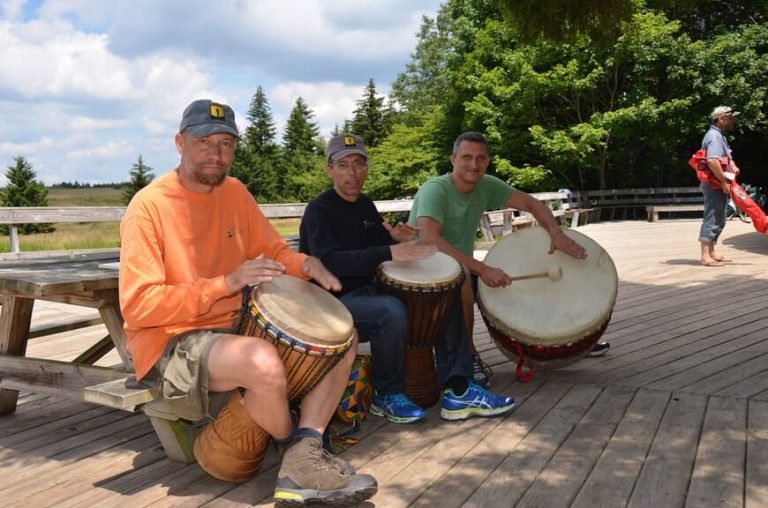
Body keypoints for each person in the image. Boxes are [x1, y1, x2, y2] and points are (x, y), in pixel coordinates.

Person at [119, 99, 377, 506]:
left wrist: (304, 264)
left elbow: (273, 252)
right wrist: (225, 283)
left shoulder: (235, 192)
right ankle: (293, 447)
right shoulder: (148, 207)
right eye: (204, 141)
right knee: (261, 361)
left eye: (226, 143)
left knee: (342, 340)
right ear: (180, 142)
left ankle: (303, 452)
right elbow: (139, 306)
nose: (216, 153)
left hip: (234, 328)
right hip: (171, 342)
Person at [300, 133, 517, 423]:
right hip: (331, 302)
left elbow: (382, 245)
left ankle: (459, 389)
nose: (352, 173)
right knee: (390, 311)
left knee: (445, 291)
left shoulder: (364, 204)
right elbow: (328, 262)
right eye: (343, 165)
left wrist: (400, 239)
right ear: (329, 169)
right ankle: (387, 393)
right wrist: (388, 250)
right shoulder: (319, 210)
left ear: (367, 168)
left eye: (359, 164)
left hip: (369, 290)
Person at [408, 132, 609, 387]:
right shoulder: (435, 190)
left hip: (460, 264)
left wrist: (556, 234)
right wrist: (483, 269)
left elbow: (533, 204)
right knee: (463, 284)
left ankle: (565, 340)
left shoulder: (487, 185)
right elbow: (430, 239)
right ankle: (468, 356)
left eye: (480, 158)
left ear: (488, 161)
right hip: (420, 265)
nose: (474, 164)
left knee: (517, 279)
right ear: (453, 160)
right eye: (466, 157)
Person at [699, 106, 741, 267]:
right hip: (714, 184)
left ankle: (711, 252)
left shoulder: (719, 135)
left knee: (719, 217)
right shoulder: (714, 136)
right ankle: (705, 256)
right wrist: (724, 182)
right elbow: (712, 160)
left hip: (716, 183)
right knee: (712, 216)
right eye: (731, 118)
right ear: (721, 119)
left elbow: (724, 157)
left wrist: (733, 165)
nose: (733, 121)